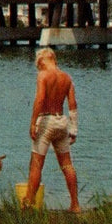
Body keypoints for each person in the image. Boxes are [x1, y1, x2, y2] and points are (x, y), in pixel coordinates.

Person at [22, 47, 81, 212]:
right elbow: (72, 105)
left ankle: (28, 203)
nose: (38, 68)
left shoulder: (43, 75)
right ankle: (75, 204)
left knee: (36, 165)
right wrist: (74, 129)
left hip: (46, 121)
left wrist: (33, 123)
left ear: (43, 61)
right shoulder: (67, 78)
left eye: (38, 65)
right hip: (62, 122)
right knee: (67, 165)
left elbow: (40, 100)